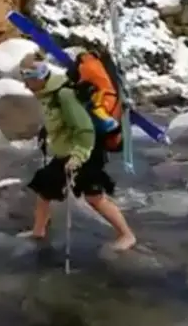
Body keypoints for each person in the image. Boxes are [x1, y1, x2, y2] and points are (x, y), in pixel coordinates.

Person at [17, 61, 137, 251]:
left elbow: (85, 128)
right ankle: (38, 232)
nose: (25, 85)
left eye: (28, 80)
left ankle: (127, 235)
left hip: (85, 151)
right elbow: (60, 120)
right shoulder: (47, 95)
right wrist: (46, 132)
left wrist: (79, 156)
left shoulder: (64, 95)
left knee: (94, 197)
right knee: (44, 187)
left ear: (39, 79)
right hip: (65, 151)